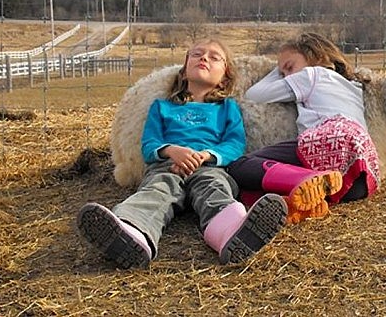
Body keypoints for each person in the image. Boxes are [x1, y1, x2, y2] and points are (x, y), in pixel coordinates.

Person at [77, 37, 287, 268]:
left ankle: (232, 233)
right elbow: (149, 143)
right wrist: (171, 151)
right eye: (196, 54)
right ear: (184, 71)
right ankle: (132, 232)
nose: (204, 58)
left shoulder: (227, 109)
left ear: (224, 78)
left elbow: (234, 144)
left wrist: (206, 155)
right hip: (167, 167)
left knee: (215, 191)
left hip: (210, 167)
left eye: (214, 57)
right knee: (156, 191)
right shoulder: (162, 107)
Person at [227, 31, 380, 224]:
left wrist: (275, 70)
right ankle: (308, 198)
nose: (287, 76)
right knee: (281, 176)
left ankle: (308, 180)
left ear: (316, 58)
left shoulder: (310, 75)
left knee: (240, 166)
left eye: (289, 68)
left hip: (331, 139)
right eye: (283, 74)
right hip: (359, 178)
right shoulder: (353, 86)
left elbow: (255, 94)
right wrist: (287, 67)